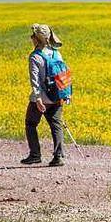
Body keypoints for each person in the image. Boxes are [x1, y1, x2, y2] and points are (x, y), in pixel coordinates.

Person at [21, 24, 66, 167]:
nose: (31, 38)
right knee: (56, 126)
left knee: (30, 124)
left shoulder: (35, 57)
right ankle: (58, 157)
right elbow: (63, 75)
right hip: (57, 95)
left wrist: (38, 99)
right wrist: (65, 94)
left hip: (41, 98)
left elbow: (34, 81)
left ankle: (35, 155)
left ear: (36, 39)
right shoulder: (56, 53)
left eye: (32, 36)